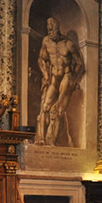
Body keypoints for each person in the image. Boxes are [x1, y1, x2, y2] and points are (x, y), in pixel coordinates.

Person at [37, 17, 84, 146]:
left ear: (57, 28)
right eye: (48, 28)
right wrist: (45, 75)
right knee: (44, 107)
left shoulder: (68, 44)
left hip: (66, 76)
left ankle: (53, 142)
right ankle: (41, 139)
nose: (50, 31)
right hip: (53, 78)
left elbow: (79, 63)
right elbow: (41, 59)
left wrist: (74, 78)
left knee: (58, 110)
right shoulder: (46, 41)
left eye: (52, 28)